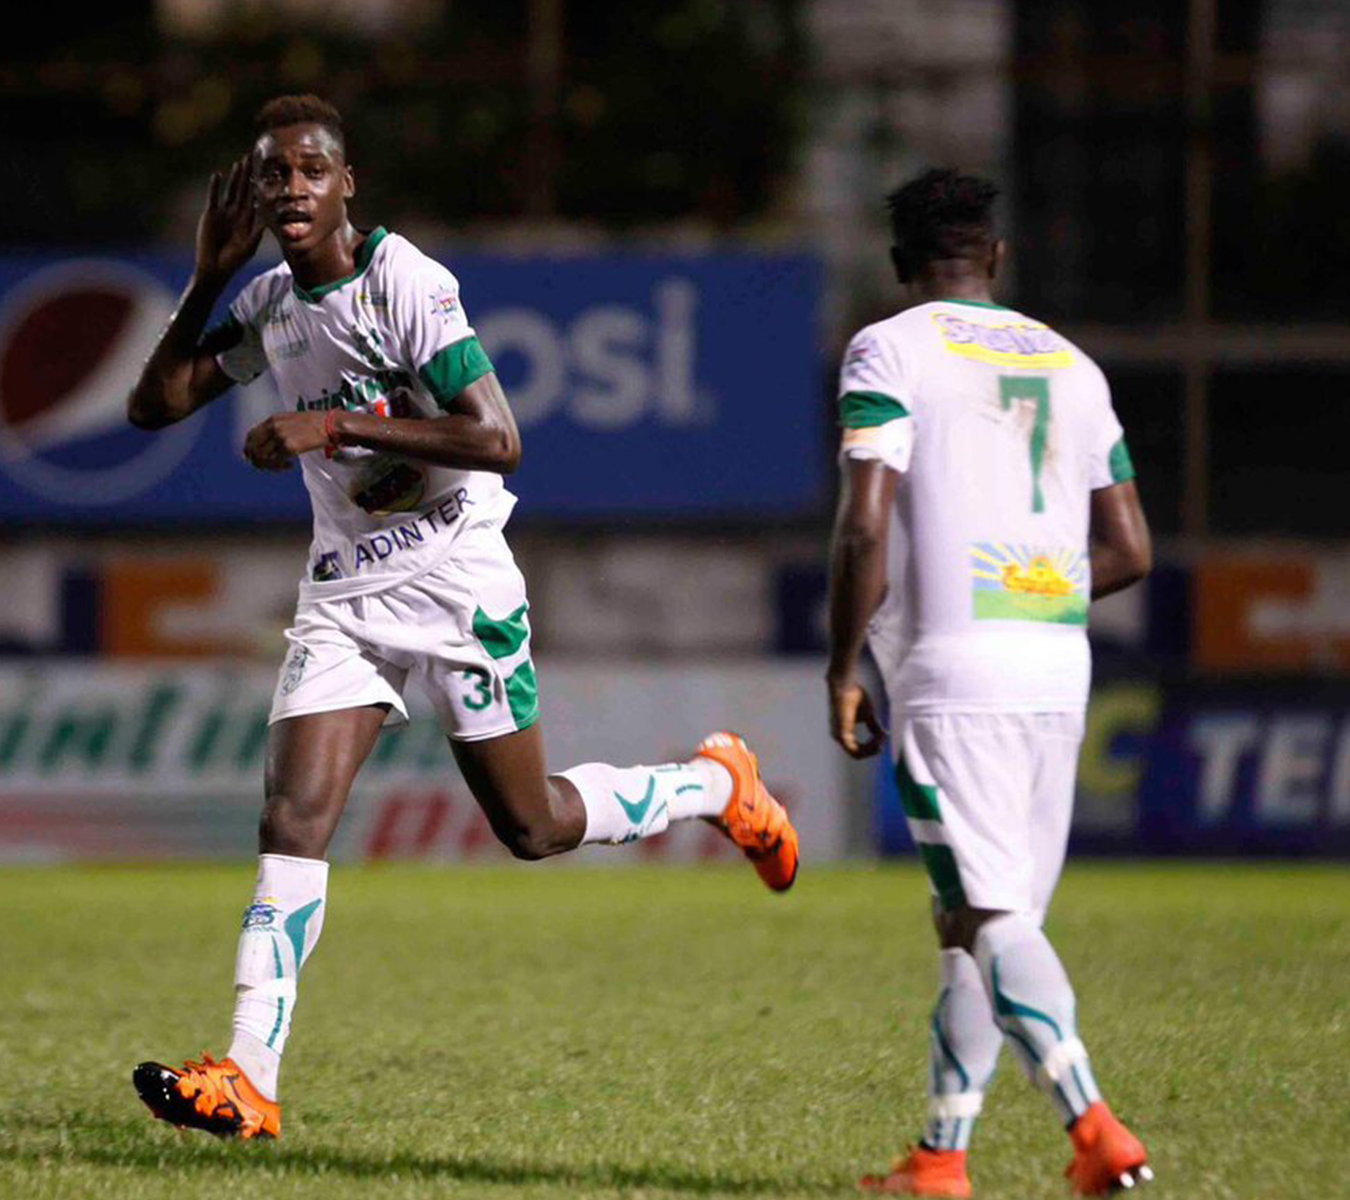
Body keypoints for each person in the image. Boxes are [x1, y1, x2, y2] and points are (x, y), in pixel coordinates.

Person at [122, 93, 799, 1141]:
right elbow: (154, 406)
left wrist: (330, 423)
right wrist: (208, 274)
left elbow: (498, 440)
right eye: (271, 175)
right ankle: (248, 1076)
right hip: (345, 591)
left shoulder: (405, 282)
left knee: (531, 827)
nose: (290, 188)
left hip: (456, 578)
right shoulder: (263, 304)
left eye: (309, 169)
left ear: (348, 183)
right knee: (292, 820)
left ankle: (716, 785)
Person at [825, 168, 1154, 1198]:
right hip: (1056, 662)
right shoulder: (1075, 364)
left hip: (952, 666)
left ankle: (1093, 1124)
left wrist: (843, 662)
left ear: (898, 267)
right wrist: (1045, 582)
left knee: (985, 917)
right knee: (977, 916)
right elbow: (1133, 549)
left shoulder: (889, 346)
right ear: (996, 259)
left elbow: (865, 520)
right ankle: (942, 1157)